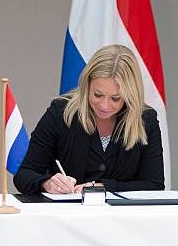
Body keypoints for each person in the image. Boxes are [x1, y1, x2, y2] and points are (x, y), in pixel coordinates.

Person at [14, 45, 164, 194]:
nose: (104, 106)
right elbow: (24, 175)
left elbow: (154, 185)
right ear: (87, 85)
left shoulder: (145, 120)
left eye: (115, 98)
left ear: (130, 95)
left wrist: (104, 188)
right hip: (67, 216)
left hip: (123, 217)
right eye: (97, 95)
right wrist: (47, 183)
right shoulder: (60, 113)